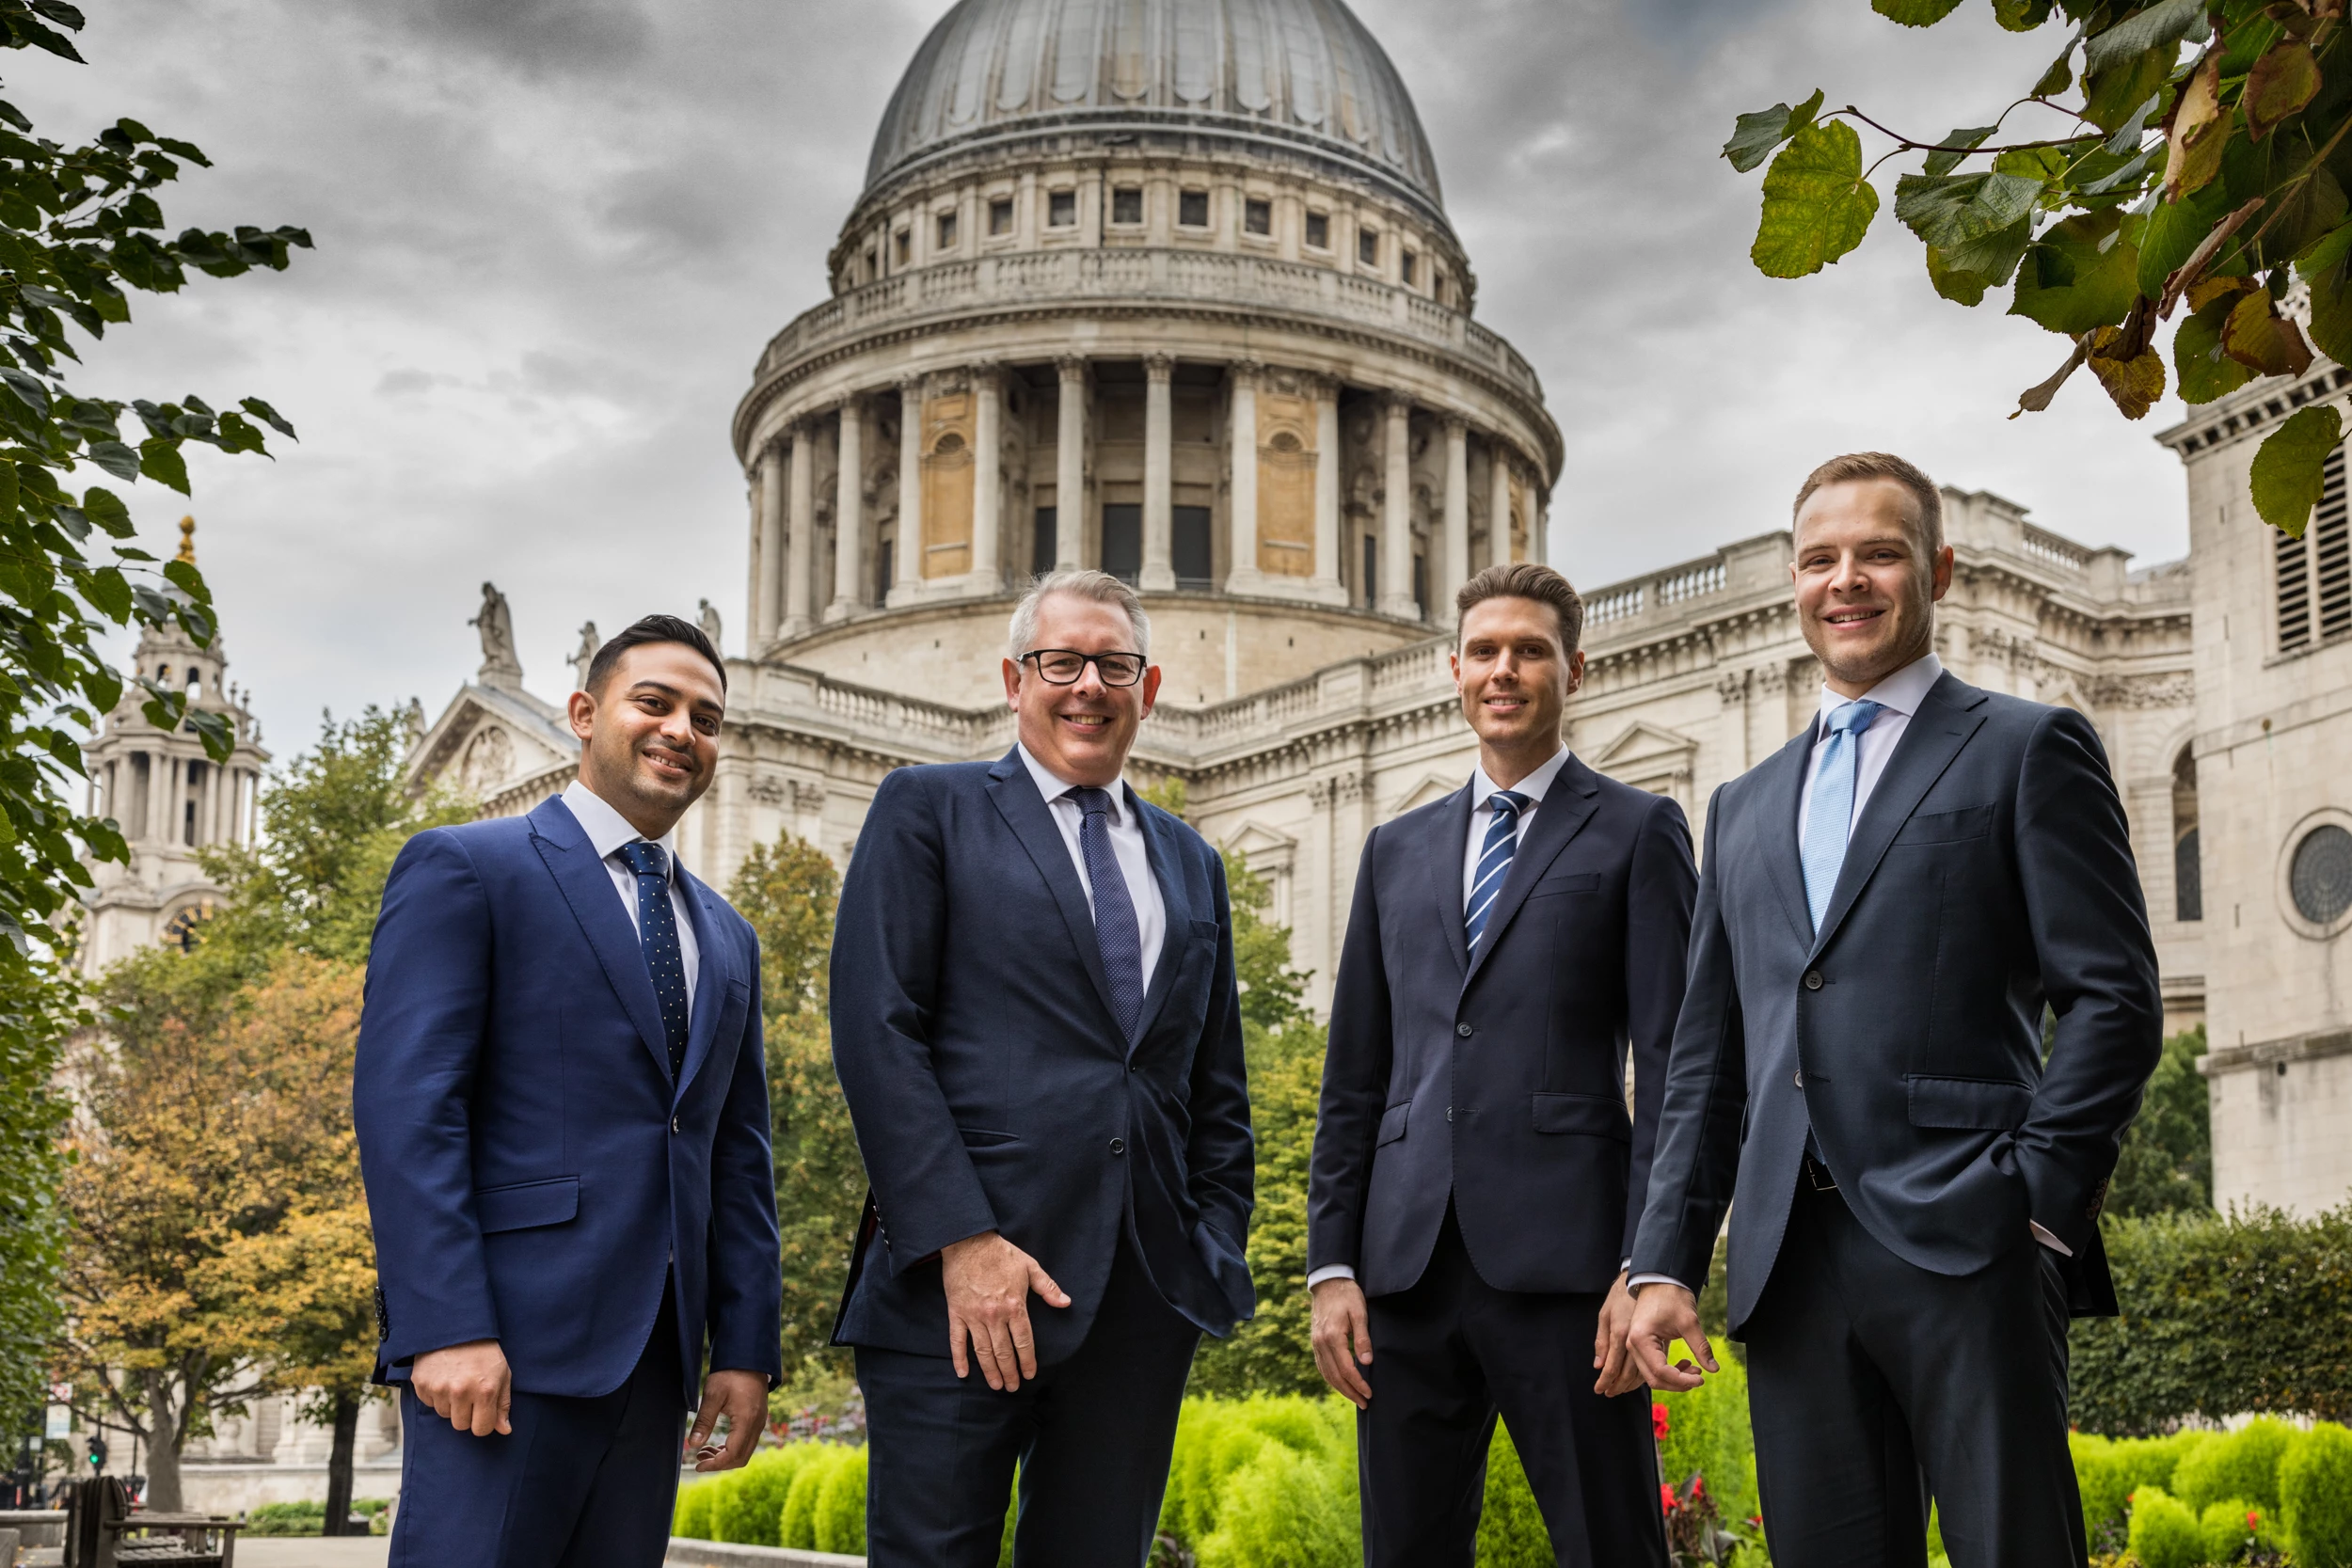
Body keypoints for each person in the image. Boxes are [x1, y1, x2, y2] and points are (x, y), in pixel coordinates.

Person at [1624, 453, 2164, 1568]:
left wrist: (2039, 1204)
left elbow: (2113, 995)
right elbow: (1705, 1062)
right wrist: (1665, 1260)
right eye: (1821, 557)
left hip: (1970, 1238)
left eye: (1879, 551)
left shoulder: (2026, 745)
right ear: (1793, 580)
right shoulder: (1742, 803)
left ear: (1939, 570)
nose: (1847, 579)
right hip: (1786, 1263)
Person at [829, 568, 1253, 1567]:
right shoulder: (927, 807)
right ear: (1014, 678)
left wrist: (1208, 1248)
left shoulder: (1191, 860)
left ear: (1147, 691)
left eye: (1114, 664)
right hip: (957, 1295)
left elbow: (1213, 1087)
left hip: (1139, 1302)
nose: (1087, 686)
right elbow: (876, 1029)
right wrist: (960, 1240)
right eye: (1061, 662)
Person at [355, 614, 780, 1568]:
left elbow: (734, 1154)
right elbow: (409, 1112)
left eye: (706, 717)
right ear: (585, 714)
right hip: (501, 1350)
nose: (682, 729)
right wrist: (446, 1326)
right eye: (655, 702)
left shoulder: (727, 933)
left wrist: (745, 1348)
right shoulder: (466, 866)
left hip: (655, 1362)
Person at [1307, 562, 1695, 1566]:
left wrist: (1646, 1260)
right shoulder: (1394, 847)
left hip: (1569, 1265)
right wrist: (1331, 1262)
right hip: (1402, 1265)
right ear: (1453, 669)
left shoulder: (1636, 828)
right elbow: (1356, 1068)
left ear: (1574, 668)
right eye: (1484, 650)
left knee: (1611, 1545)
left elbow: (1669, 1064)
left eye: (1528, 650)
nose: (1504, 670)